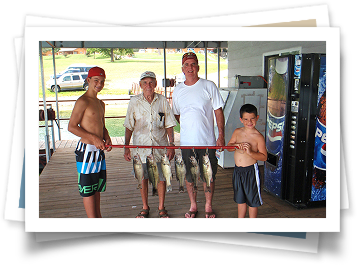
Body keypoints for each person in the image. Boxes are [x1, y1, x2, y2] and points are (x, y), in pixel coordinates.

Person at [172, 52, 225, 218]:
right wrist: (189, 127)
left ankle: (208, 206)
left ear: (198, 67)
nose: (190, 68)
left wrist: (221, 135)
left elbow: (218, 111)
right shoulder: (178, 90)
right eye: (186, 65)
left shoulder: (209, 85)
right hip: (187, 143)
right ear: (182, 69)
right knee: (189, 176)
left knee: (208, 175)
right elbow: (177, 114)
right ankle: (193, 205)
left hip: (207, 142)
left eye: (193, 64)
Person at [124, 71, 176, 218]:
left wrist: (171, 144)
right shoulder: (134, 101)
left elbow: (169, 124)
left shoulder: (162, 100)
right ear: (140, 85)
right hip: (140, 149)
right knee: (143, 177)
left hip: (160, 148)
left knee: (161, 177)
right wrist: (126, 146)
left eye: (151, 82)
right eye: (145, 82)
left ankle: (161, 207)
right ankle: (145, 206)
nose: (148, 85)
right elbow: (129, 125)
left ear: (155, 84)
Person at [68, 66, 112, 218]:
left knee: (96, 186)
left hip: (98, 151)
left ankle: (98, 218)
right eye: (96, 80)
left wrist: (107, 137)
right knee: (87, 188)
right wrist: (93, 138)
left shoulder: (101, 103)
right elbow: (72, 126)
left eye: (102, 81)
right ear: (88, 80)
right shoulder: (83, 101)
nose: (99, 84)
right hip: (86, 150)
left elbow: (102, 125)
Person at [227, 104, 267, 218]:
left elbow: (264, 157)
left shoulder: (258, 137)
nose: (249, 122)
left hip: (251, 172)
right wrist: (236, 145)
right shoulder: (237, 132)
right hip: (238, 171)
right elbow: (229, 147)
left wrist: (251, 153)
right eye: (246, 119)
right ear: (241, 120)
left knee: (252, 201)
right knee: (240, 199)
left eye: (252, 118)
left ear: (257, 118)